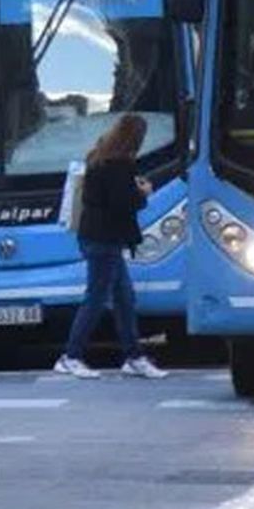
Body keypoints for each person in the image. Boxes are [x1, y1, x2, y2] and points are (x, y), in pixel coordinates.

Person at [55, 113, 167, 380]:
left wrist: (131, 189)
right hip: (104, 240)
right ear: (134, 138)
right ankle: (71, 356)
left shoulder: (98, 156)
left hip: (95, 237)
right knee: (96, 298)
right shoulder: (119, 164)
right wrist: (143, 193)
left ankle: (134, 356)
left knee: (124, 298)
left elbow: (106, 196)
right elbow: (122, 203)